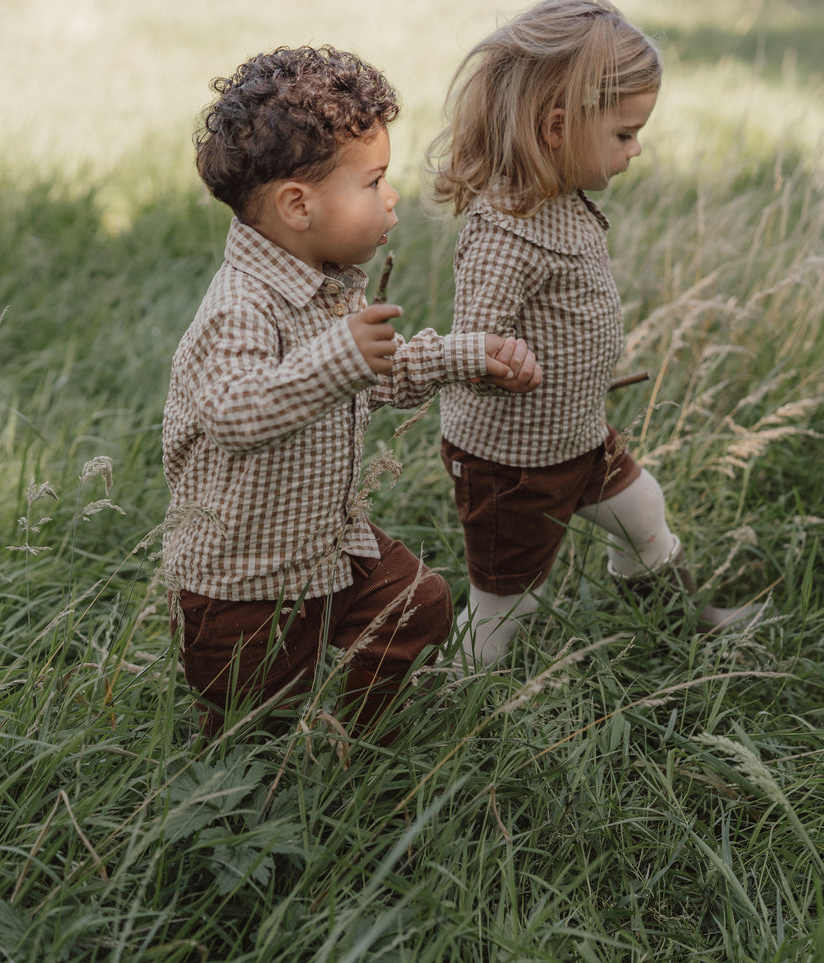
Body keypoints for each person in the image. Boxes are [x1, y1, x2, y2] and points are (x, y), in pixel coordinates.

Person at [161, 46, 541, 739]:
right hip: (241, 580)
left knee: (415, 604)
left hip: (323, 546)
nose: (390, 196)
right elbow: (234, 413)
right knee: (251, 724)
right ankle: (256, 786)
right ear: (297, 205)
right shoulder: (241, 306)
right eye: (372, 182)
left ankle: (349, 740)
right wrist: (338, 358)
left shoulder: (326, 282)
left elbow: (376, 371)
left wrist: (467, 355)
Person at [428, 0, 759, 669]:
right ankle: (455, 697)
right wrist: (498, 360)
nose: (637, 148)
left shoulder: (560, 200)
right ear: (556, 128)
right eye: (625, 133)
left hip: (576, 436)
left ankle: (674, 631)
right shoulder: (504, 230)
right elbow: (468, 344)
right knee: (508, 603)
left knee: (643, 512)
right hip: (512, 462)